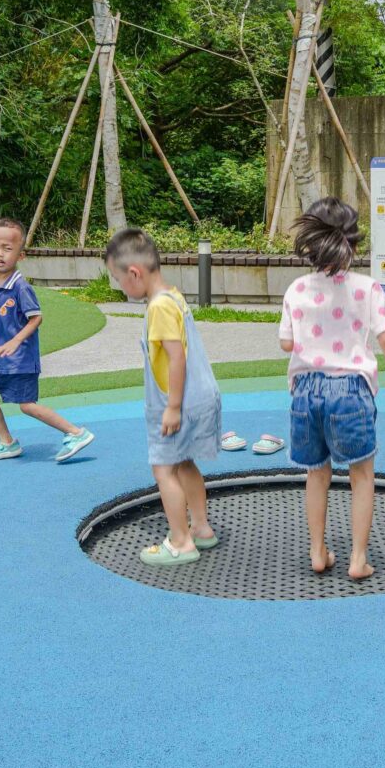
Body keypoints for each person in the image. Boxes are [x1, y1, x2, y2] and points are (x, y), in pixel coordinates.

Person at [280, 197, 385, 580]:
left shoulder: (296, 289)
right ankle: (357, 559)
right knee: (361, 475)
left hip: (305, 391)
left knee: (316, 472)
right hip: (349, 390)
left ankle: (317, 551)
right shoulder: (366, 288)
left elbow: (286, 344)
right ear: (354, 244)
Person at [106, 228, 222, 567]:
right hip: (201, 396)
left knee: (164, 469)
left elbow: (176, 357)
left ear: (135, 273)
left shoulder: (158, 308)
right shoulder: (173, 295)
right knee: (184, 462)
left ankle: (181, 541)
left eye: (118, 279)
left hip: (178, 402)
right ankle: (200, 527)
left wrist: (172, 408)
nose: (120, 287)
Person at [0, 218, 95, 464]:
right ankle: (7, 443)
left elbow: (36, 319)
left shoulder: (20, 288)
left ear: (20, 255)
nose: (0, 254)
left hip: (20, 360)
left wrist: (16, 341)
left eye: (7, 249)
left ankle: (76, 433)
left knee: (27, 405)